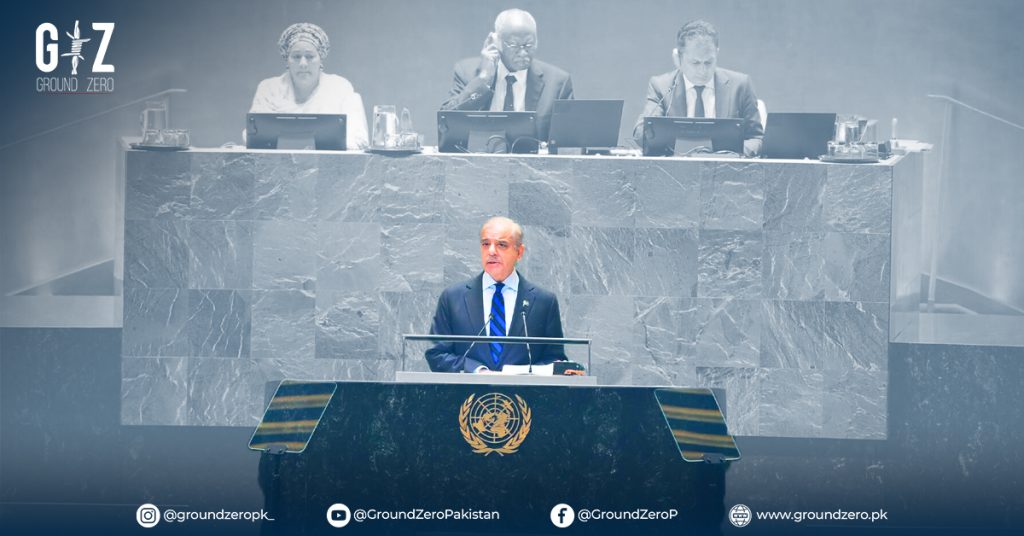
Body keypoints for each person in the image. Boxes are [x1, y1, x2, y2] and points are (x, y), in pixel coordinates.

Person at [425, 217, 567, 373]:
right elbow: (437, 354)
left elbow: (554, 359)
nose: (491, 251)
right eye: (486, 244)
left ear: (519, 252)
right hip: (466, 396)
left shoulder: (543, 302)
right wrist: (477, 370)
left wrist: (522, 374)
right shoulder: (453, 298)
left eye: (501, 245)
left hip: (525, 396)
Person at [440, 9, 574, 143]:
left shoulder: (558, 82)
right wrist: (484, 79)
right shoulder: (467, 72)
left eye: (529, 44)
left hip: (534, 163)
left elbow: (569, 142)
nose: (523, 53)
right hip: (478, 161)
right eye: (514, 45)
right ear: (496, 41)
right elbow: (446, 122)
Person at [633, 20, 763, 156]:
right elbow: (641, 133)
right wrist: (653, 131)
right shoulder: (661, 86)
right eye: (695, 63)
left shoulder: (740, 85)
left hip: (727, 169)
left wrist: (735, 155)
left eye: (708, 62)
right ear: (678, 58)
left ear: (717, 53)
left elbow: (756, 138)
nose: (702, 70)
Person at [250, 22, 369, 149]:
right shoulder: (269, 89)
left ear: (320, 59)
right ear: (287, 60)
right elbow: (253, 134)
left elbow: (359, 139)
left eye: (310, 56)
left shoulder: (340, 88)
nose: (303, 63)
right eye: (296, 56)